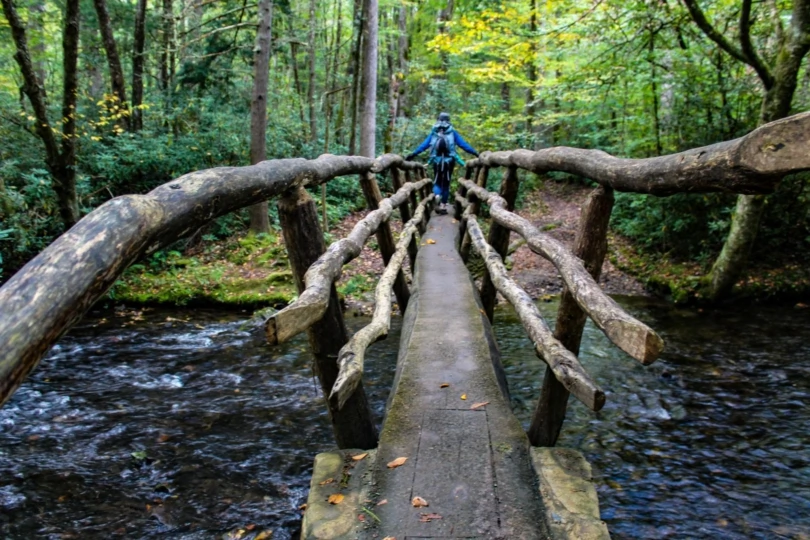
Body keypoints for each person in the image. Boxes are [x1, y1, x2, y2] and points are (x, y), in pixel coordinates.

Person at [405, 112, 479, 214]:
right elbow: (463, 145)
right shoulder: (452, 132)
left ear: (438, 120)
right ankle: (443, 206)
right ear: (448, 120)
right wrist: (475, 153)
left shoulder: (434, 132)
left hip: (437, 161)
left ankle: (437, 196)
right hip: (449, 161)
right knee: (446, 183)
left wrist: (413, 154)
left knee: (437, 181)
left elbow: (424, 145)